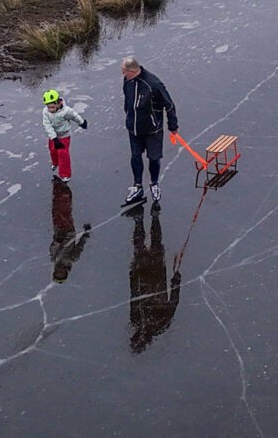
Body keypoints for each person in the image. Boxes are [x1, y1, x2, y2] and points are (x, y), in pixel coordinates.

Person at [121, 56, 179, 206]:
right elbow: (128, 100)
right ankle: (137, 186)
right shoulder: (127, 81)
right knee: (135, 156)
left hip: (152, 130)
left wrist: (173, 126)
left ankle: (154, 183)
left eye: (124, 71)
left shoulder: (153, 84)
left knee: (154, 158)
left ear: (132, 71)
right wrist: (128, 115)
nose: (122, 74)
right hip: (134, 129)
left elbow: (169, 105)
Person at [127, 205, 180, 352]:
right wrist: (176, 283)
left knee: (141, 248)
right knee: (155, 246)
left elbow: (133, 297)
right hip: (155, 281)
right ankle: (153, 219)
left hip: (144, 279)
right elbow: (173, 303)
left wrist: (132, 278)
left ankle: (141, 221)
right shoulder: (160, 325)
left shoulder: (137, 321)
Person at [42, 89, 86, 183]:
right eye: (49, 107)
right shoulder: (46, 112)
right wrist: (54, 138)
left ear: (58, 103)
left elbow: (75, 116)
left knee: (63, 154)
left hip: (64, 136)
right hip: (53, 135)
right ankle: (55, 162)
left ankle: (65, 174)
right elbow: (47, 125)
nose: (51, 110)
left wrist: (82, 122)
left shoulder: (66, 111)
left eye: (53, 107)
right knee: (53, 150)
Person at [50, 182, 91, 283]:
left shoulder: (54, 259)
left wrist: (57, 242)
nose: (59, 271)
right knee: (63, 212)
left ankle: (58, 189)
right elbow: (79, 247)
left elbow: (53, 248)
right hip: (68, 233)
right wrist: (85, 234)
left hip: (58, 231)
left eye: (57, 273)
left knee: (57, 211)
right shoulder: (71, 259)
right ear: (66, 272)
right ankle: (64, 192)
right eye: (61, 273)